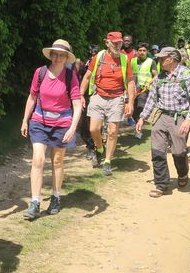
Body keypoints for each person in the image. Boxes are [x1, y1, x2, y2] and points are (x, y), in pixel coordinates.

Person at [20, 39, 82, 219]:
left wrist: (72, 127)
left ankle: (55, 197)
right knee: (38, 160)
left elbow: (77, 104)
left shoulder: (70, 76)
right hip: (39, 121)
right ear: (50, 55)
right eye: (54, 54)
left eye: (61, 55)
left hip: (62, 123)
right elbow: (32, 98)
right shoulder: (40, 73)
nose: (57, 58)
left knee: (57, 161)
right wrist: (25, 120)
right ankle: (35, 202)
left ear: (66, 57)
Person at [135, 47, 190, 197]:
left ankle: (183, 174)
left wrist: (189, 119)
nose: (159, 61)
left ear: (171, 59)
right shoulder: (159, 77)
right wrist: (142, 118)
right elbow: (152, 99)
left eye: (161, 58)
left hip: (180, 117)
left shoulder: (186, 75)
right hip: (161, 116)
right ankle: (161, 185)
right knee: (157, 151)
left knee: (178, 152)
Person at [80, 31, 136, 176]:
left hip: (117, 98)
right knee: (93, 129)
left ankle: (107, 162)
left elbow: (130, 82)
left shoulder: (125, 59)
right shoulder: (98, 57)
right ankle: (99, 148)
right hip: (98, 95)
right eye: (115, 42)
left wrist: (130, 102)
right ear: (107, 43)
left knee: (112, 131)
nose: (118, 45)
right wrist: (80, 95)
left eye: (120, 42)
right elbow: (86, 77)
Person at [79, 44, 99, 164]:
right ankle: (90, 146)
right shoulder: (82, 67)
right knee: (83, 127)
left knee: (96, 127)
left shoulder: (102, 66)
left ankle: (96, 149)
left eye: (95, 53)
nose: (93, 56)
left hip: (98, 99)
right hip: (84, 99)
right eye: (91, 53)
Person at [131, 42, 158, 129]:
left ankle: (139, 131)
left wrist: (149, 82)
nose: (142, 52)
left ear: (147, 52)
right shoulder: (132, 61)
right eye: (140, 50)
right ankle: (137, 124)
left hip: (144, 89)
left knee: (140, 108)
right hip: (133, 89)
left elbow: (156, 76)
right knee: (133, 110)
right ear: (137, 51)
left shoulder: (151, 62)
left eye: (144, 50)